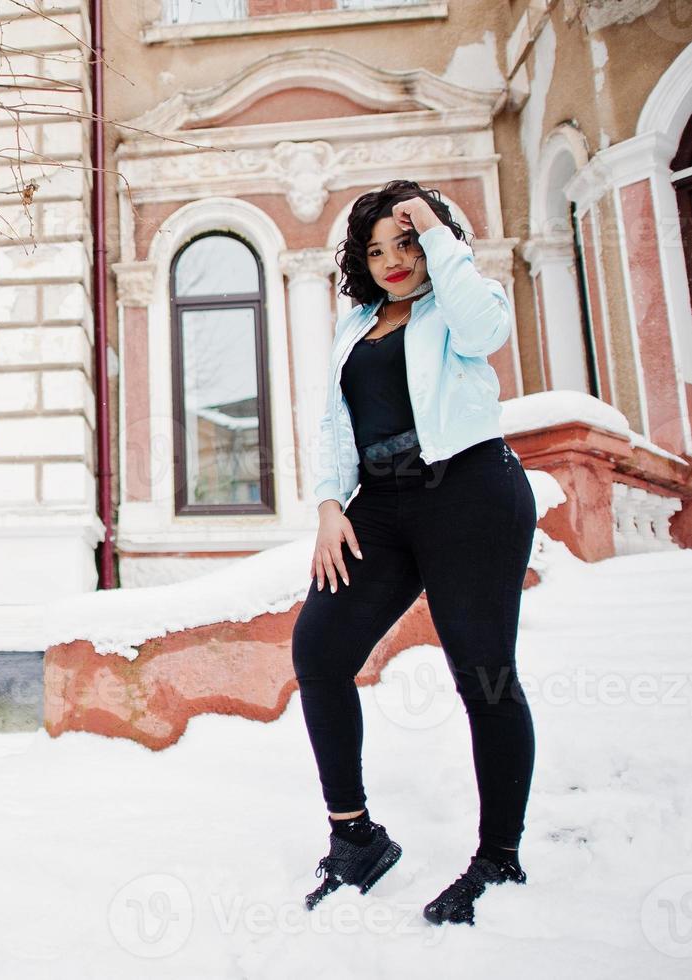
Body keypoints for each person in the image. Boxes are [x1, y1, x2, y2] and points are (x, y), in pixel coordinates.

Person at [291, 179, 538, 926]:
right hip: (382, 508)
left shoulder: (459, 304)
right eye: (375, 249)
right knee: (319, 651)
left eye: (405, 242)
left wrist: (436, 231)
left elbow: (485, 334)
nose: (393, 260)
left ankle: (498, 856)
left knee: (483, 672)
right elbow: (337, 425)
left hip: (469, 492)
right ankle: (354, 837)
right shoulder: (354, 326)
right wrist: (330, 504)